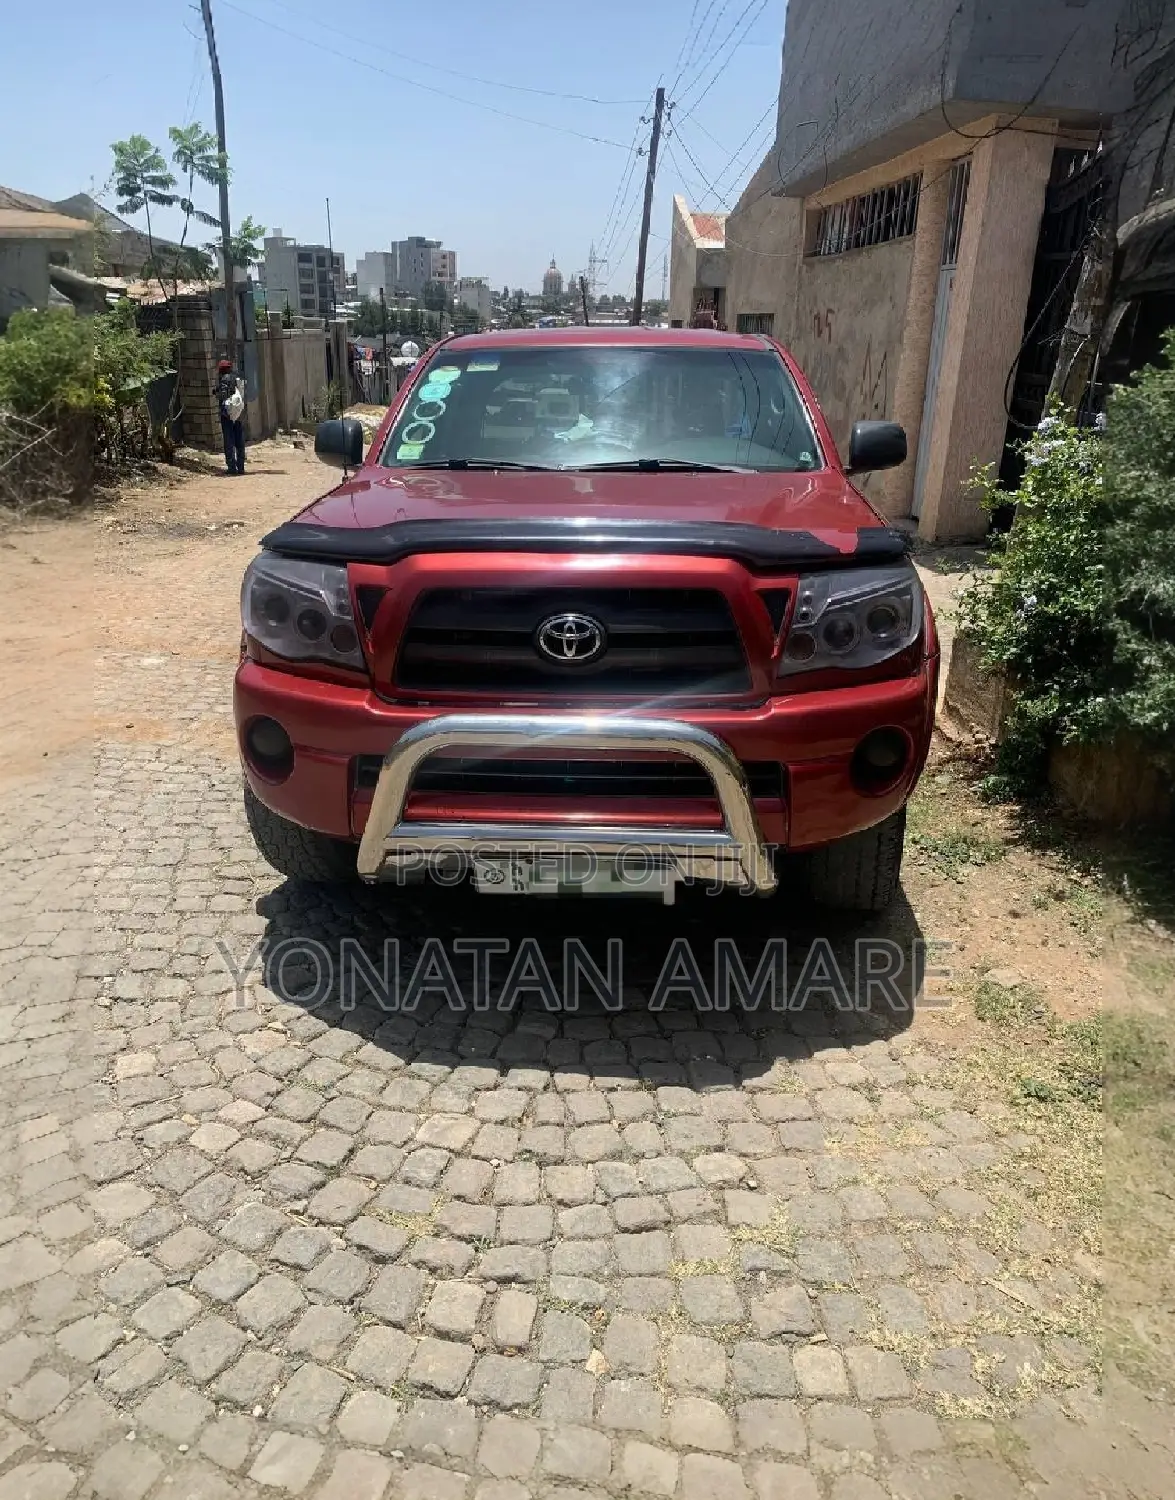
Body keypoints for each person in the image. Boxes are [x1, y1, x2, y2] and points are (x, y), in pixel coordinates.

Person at [214, 357, 246, 475]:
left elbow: (222, 395)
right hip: (238, 414)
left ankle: (232, 467)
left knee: (229, 441)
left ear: (221, 370)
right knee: (239, 441)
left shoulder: (224, 379)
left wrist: (216, 393)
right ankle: (241, 467)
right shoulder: (238, 379)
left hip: (227, 415)